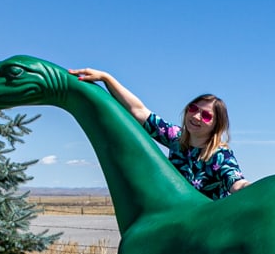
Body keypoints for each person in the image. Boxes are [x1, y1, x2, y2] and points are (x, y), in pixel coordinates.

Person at [69, 67, 250, 199]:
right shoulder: (176, 138)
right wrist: (107, 78)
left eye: (206, 115)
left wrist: (253, 188)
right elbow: (138, 111)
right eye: (193, 108)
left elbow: (236, 182)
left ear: (216, 125)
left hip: (207, 228)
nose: (196, 116)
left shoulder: (219, 155)